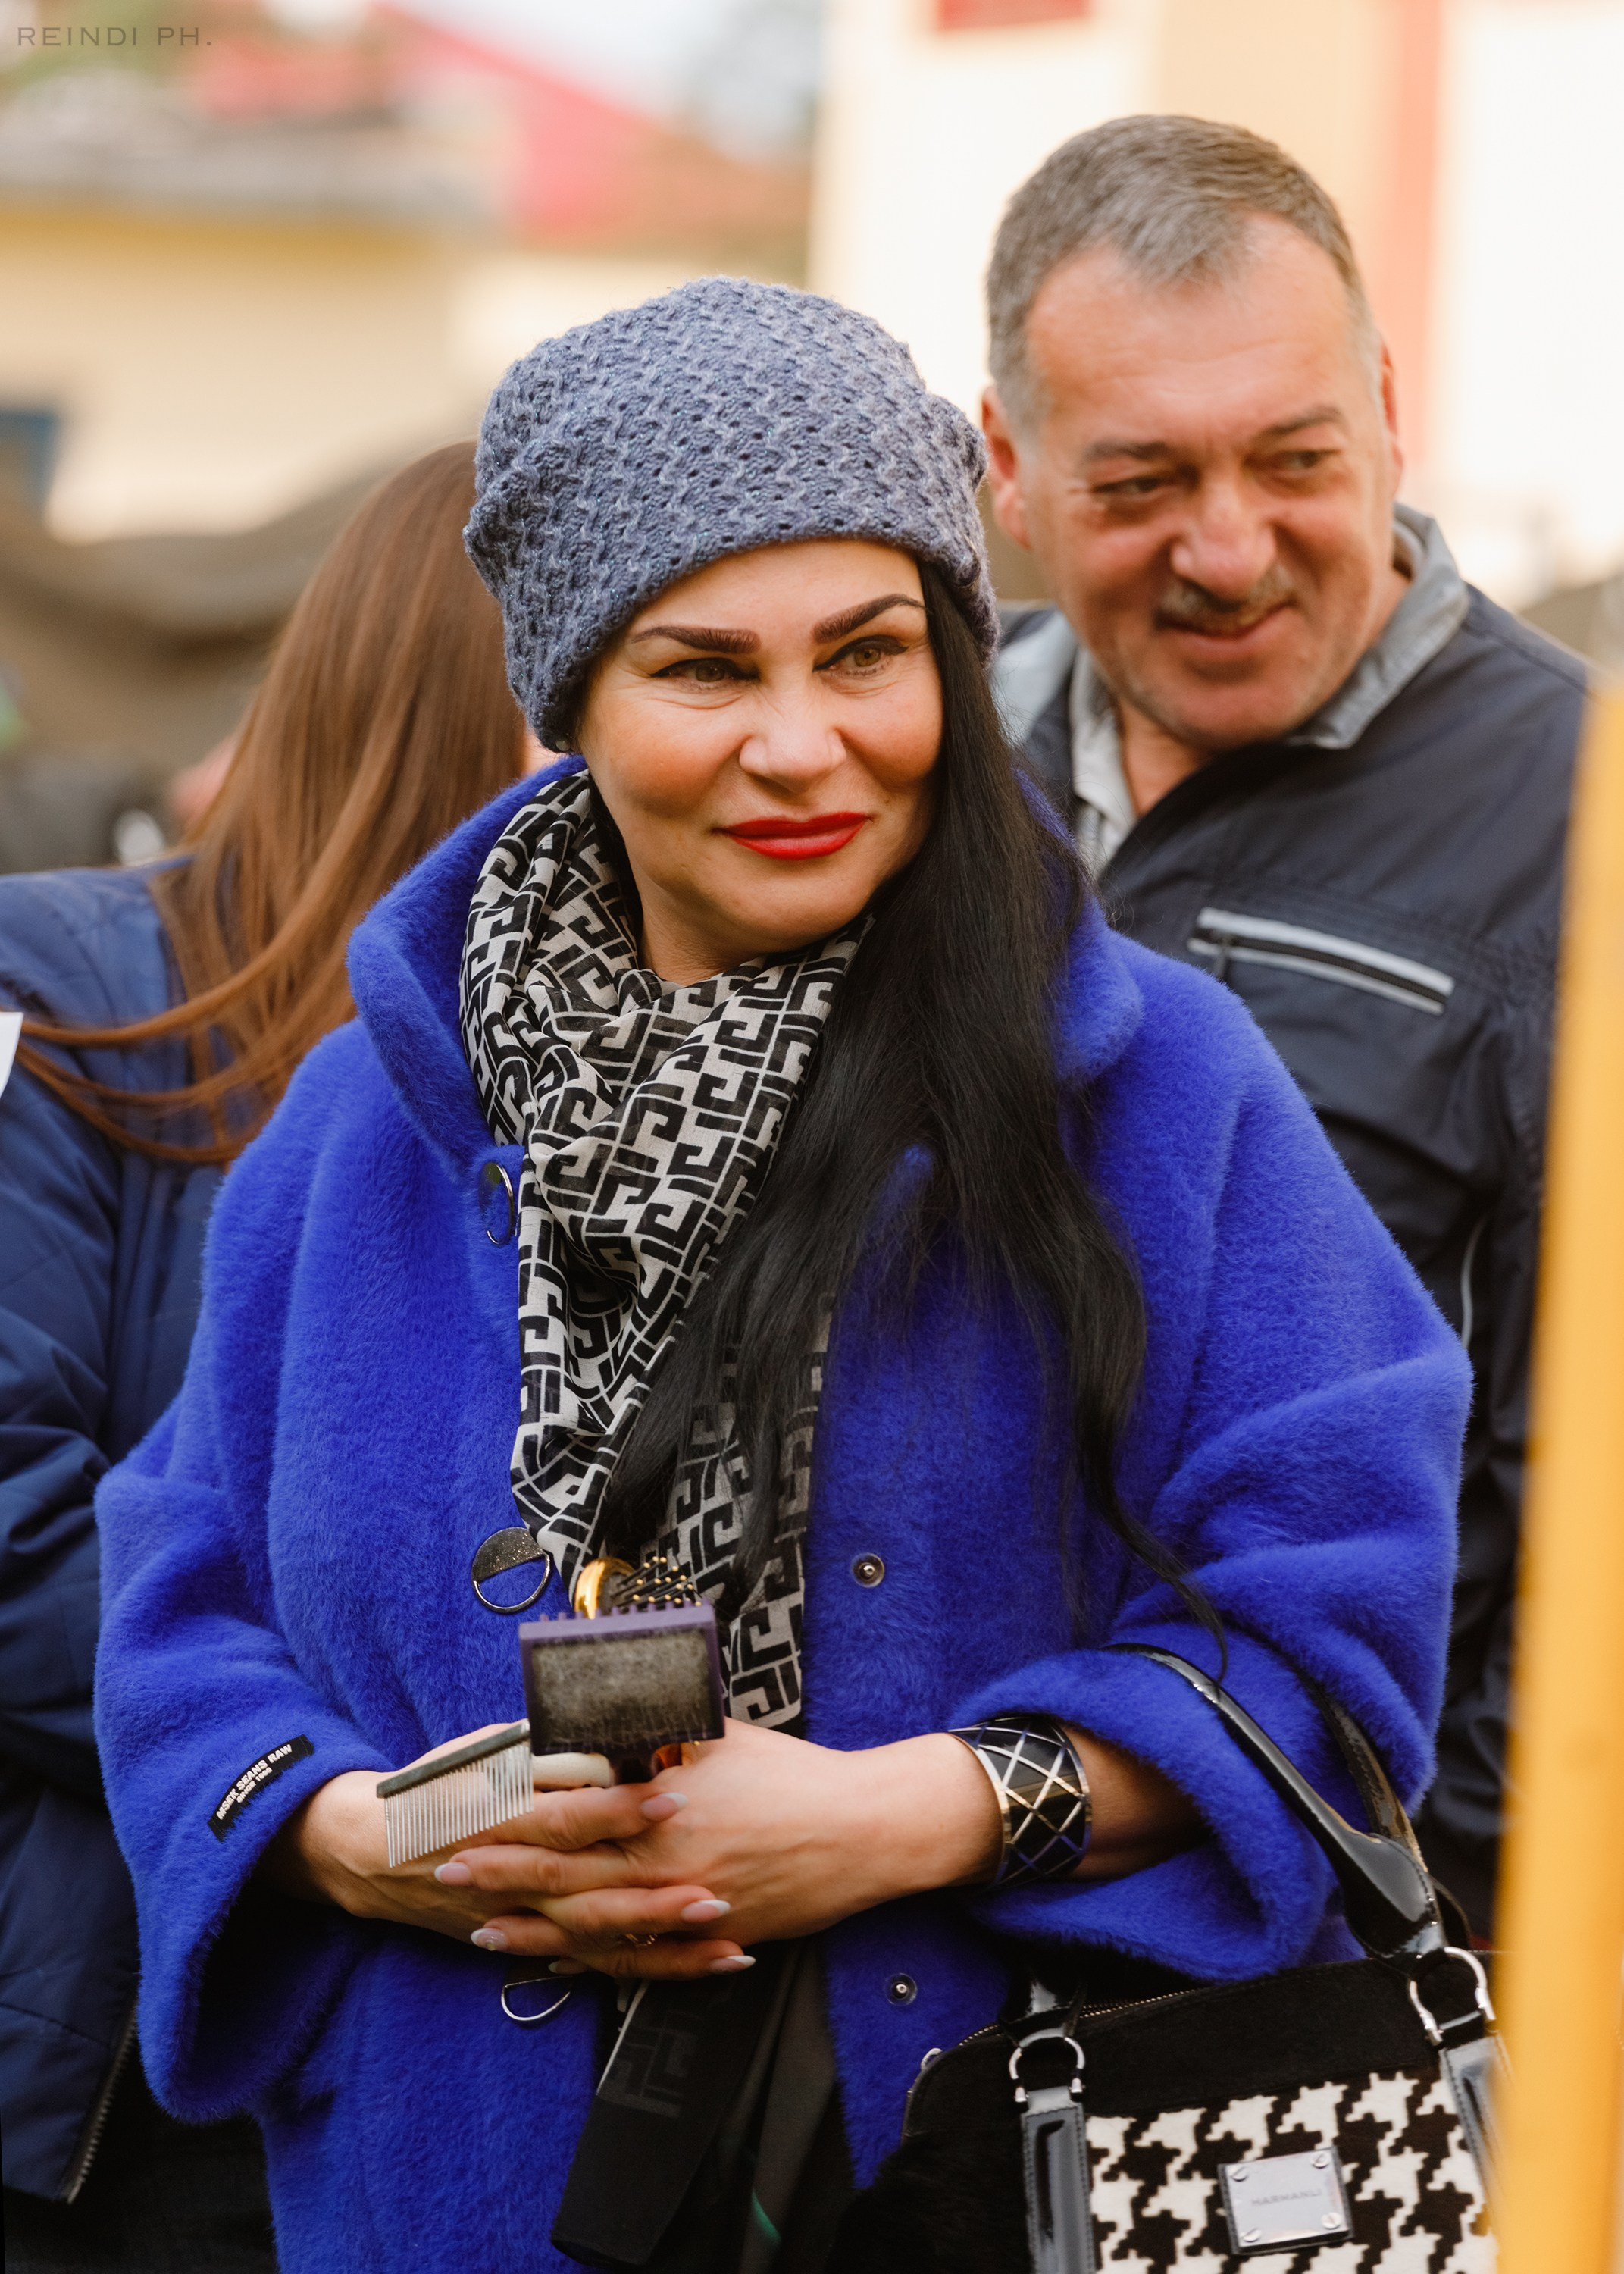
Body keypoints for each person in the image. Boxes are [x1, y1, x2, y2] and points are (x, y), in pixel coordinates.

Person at [92, 280, 1468, 2274]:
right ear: (573, 698)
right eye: (706, 669)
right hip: (453, 2184)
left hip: (1004, 2168)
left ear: (955, 656)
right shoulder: (364, 1123)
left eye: (869, 652)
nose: (805, 745)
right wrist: (352, 1838)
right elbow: (178, 1599)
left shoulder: (1156, 1090)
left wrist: (916, 1813)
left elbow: (1340, 1631)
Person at [981, 116, 1584, 1940]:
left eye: (1292, 461)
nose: (1228, 549)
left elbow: (1590, 1498)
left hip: (1342, 1926)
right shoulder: (923, 782)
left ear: (1389, 409)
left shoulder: (1586, 817)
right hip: (908, 1916)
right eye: (1141, 479)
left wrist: (1459, 1945)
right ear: (1008, 466)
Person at [0, 441, 529, 2263]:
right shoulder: (58, 989)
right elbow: (10, 1514)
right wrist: (333, 1787)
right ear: (440, 709)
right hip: (102, 2093)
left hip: (448, 2059)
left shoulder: (581, 1075)